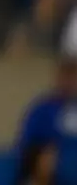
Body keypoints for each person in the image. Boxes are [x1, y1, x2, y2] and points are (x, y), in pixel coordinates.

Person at [14, 56, 77, 184]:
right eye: (66, 71)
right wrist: (39, 159)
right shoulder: (42, 111)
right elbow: (24, 156)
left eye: (74, 72)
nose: (70, 79)